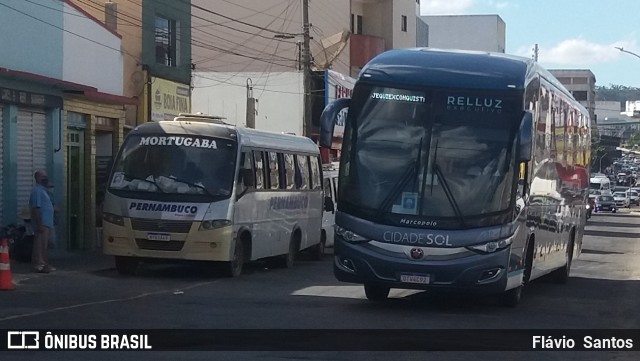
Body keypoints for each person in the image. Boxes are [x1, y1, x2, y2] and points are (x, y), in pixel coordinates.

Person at [29, 169, 55, 273]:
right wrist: (39, 224)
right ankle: (40, 264)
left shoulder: (44, 191)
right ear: (37, 178)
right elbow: (36, 208)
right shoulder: (37, 191)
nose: (45, 178)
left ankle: (43, 264)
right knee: (41, 245)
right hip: (42, 223)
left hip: (46, 222)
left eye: (46, 176)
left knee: (44, 244)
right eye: (42, 176)